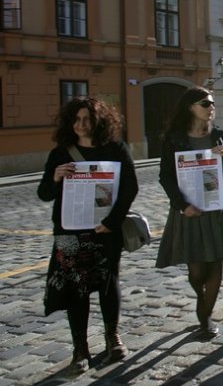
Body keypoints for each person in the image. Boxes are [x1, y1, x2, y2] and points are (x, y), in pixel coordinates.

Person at [38, 98, 139, 373]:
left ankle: (112, 337)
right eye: (77, 119)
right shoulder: (60, 153)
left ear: (99, 121)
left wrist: (111, 221)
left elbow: (130, 187)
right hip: (70, 232)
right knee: (76, 290)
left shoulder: (115, 149)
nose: (82, 124)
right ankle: (80, 349)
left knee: (108, 282)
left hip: (105, 229)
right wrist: (55, 178)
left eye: (87, 119)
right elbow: (44, 193)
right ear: (69, 122)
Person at [155, 87, 223, 340]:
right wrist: (182, 206)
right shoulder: (174, 139)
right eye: (205, 103)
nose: (211, 107)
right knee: (196, 270)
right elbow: (166, 176)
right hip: (190, 208)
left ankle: (205, 316)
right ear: (190, 107)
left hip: (218, 206)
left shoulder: (216, 134)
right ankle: (202, 298)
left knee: (216, 262)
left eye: (212, 103)